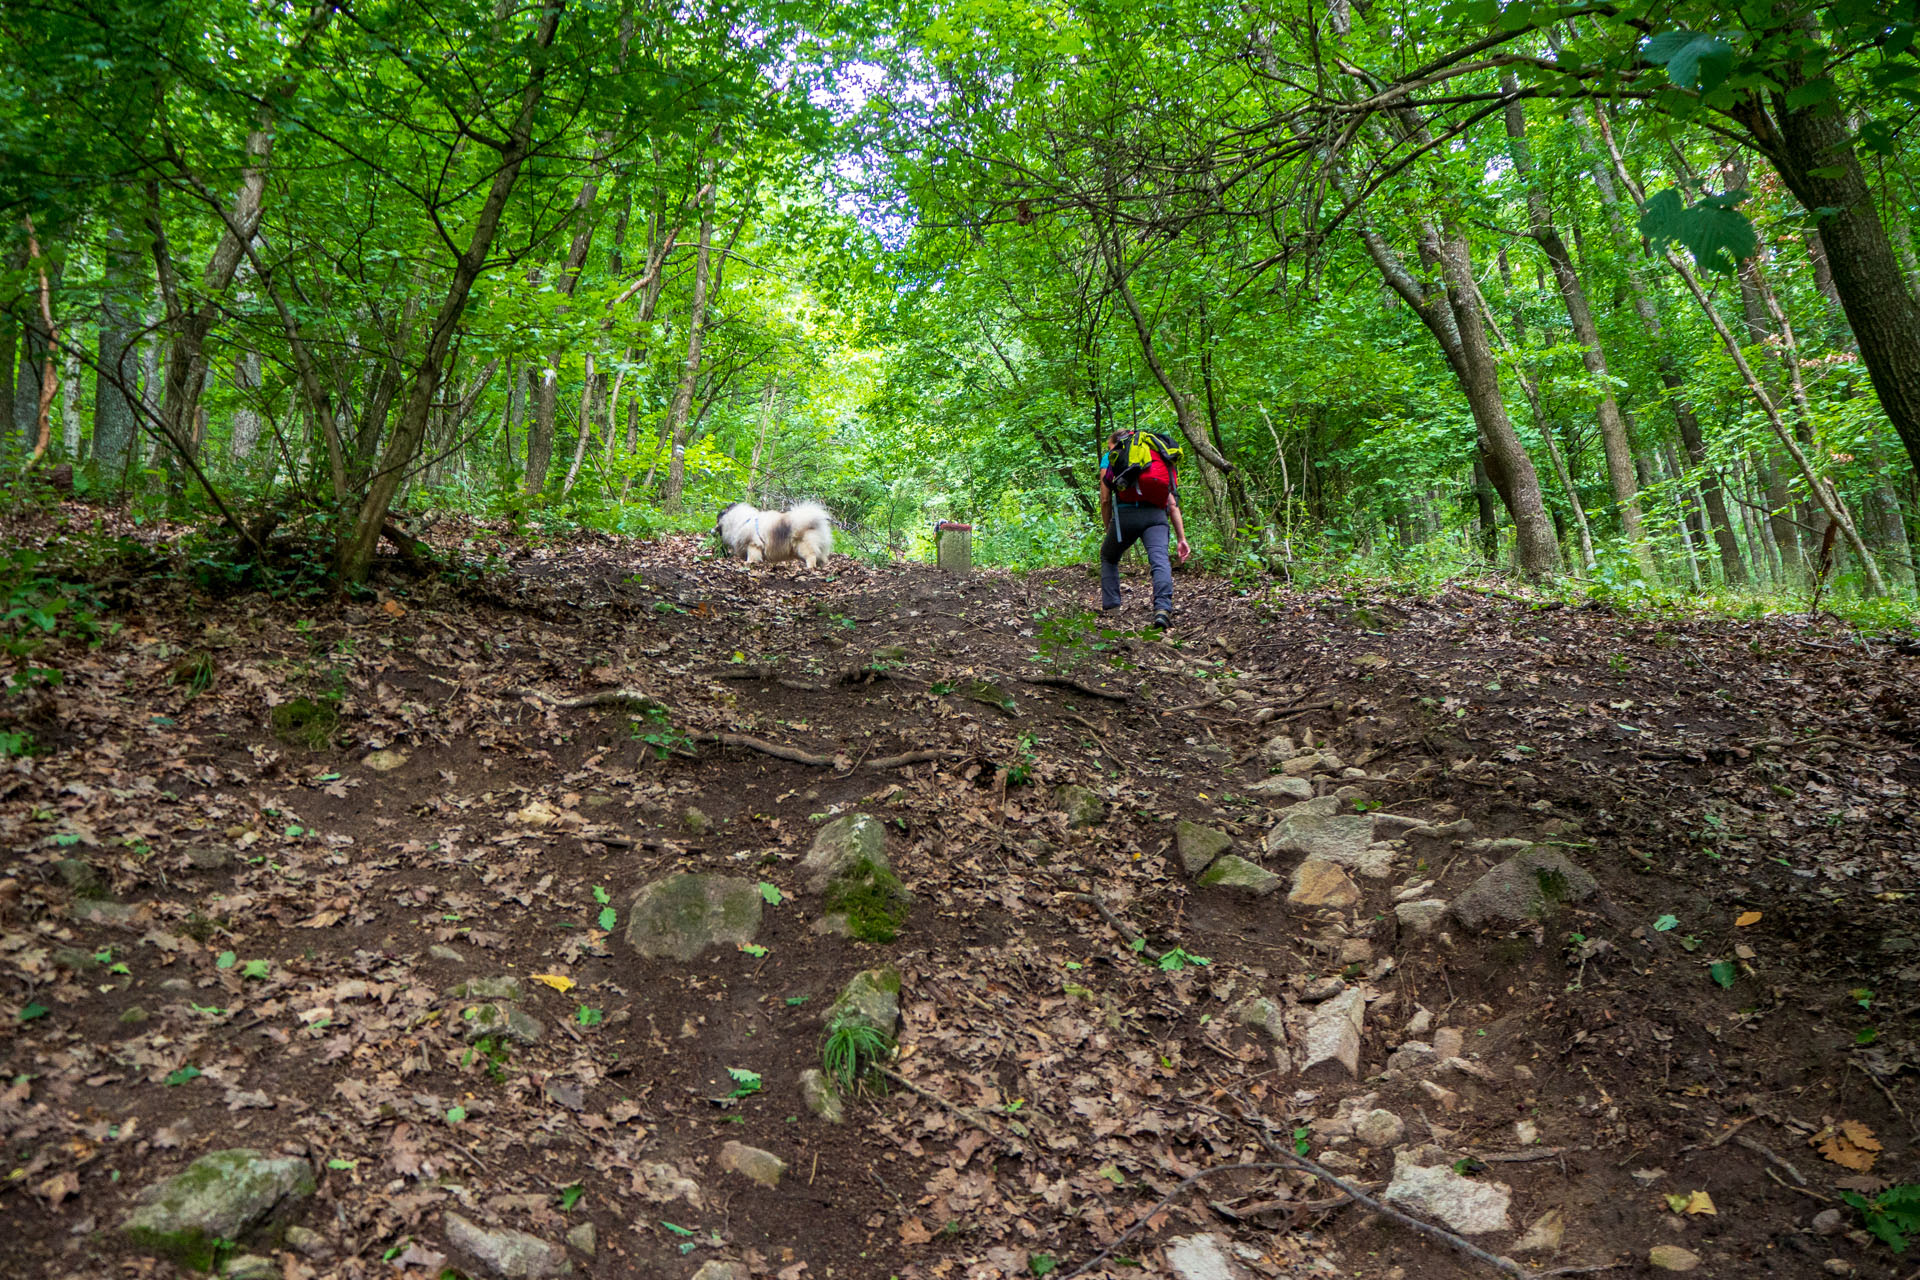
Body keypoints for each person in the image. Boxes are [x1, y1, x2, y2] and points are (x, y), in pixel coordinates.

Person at [1098, 430, 1190, 629]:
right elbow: (1172, 503)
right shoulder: (1155, 454)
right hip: (1156, 516)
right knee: (1159, 560)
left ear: (1114, 443)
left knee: (1108, 556)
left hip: (1125, 516)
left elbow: (1105, 499)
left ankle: (1113, 609)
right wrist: (1181, 537)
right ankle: (1163, 609)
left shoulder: (1112, 456)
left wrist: (1109, 527)